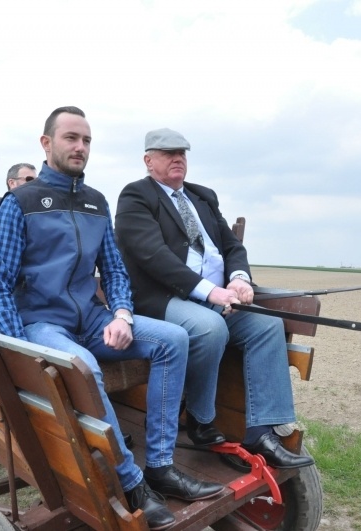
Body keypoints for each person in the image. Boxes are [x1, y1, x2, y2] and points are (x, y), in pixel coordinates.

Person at [0, 107, 222, 530]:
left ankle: (161, 466)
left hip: (93, 320)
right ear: (46, 143)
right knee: (85, 367)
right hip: (42, 324)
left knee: (173, 339)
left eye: (87, 140)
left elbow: (113, 271)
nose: (80, 147)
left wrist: (122, 315)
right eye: (71, 138)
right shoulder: (20, 203)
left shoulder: (96, 202)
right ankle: (130, 482)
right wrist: (19, 351)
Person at [115, 128, 315, 470]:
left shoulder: (202, 196)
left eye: (182, 153)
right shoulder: (136, 196)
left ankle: (262, 432)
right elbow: (153, 256)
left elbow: (232, 246)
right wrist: (211, 291)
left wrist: (238, 279)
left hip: (219, 297)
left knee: (268, 325)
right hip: (163, 299)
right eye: (168, 153)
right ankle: (200, 419)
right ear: (148, 161)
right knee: (210, 328)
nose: (178, 158)